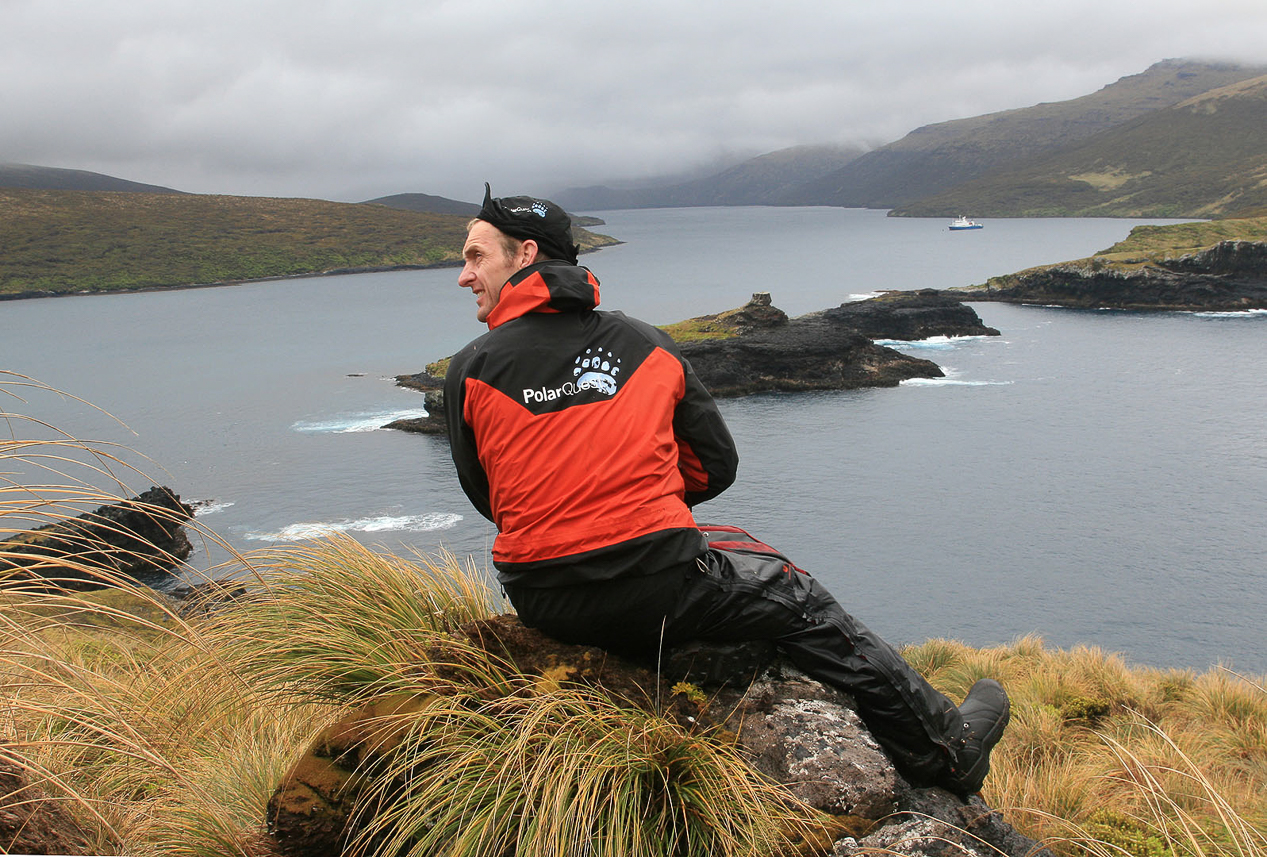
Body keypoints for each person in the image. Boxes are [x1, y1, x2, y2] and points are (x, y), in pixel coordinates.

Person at [443, 183, 1010, 796]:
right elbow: (715, 468)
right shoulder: (646, 345)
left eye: (476, 257)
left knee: (729, 555)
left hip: (543, 599)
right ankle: (950, 754)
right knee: (800, 600)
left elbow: (488, 497)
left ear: (525, 256)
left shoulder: (469, 369)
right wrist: (633, 496)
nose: (463, 275)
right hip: (657, 590)